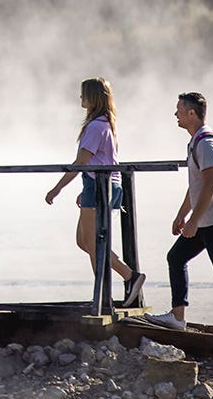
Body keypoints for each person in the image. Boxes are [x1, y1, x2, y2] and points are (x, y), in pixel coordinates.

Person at [144, 92, 213, 338]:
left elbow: (209, 183)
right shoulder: (196, 141)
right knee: (175, 258)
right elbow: (196, 185)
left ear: (191, 113)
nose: (176, 114)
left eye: (179, 110)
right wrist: (181, 216)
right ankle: (177, 317)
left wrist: (193, 221)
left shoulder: (206, 143)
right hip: (205, 220)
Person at [43, 77, 146, 307]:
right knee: (84, 241)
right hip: (100, 184)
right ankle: (108, 288)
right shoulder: (105, 124)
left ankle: (125, 280)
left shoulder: (96, 126)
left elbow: (81, 162)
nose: (80, 98)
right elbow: (96, 161)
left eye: (83, 94)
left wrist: (57, 188)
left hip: (101, 186)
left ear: (93, 97)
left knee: (93, 243)